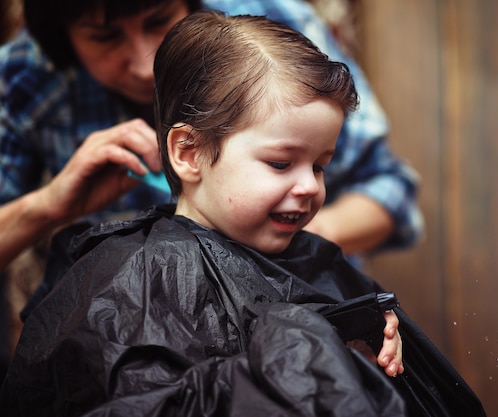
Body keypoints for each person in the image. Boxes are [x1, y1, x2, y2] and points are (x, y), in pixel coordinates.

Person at [1, 11, 407, 415]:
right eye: (281, 164)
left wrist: (362, 340)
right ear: (187, 152)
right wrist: (297, 354)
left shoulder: (314, 261)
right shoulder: (137, 280)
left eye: (319, 166)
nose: (310, 186)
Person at [0, 0, 423, 273]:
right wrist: (45, 207)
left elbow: (390, 189)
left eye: (159, 20)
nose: (144, 64)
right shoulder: (24, 76)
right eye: (104, 37)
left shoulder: (270, 28)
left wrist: (288, 242)